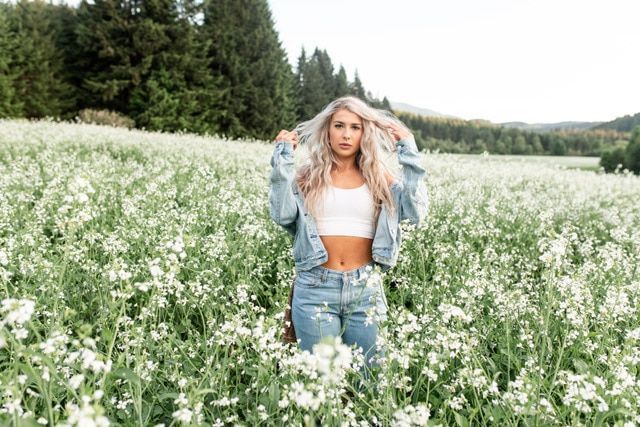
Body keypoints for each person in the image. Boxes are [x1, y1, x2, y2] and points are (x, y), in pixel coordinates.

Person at [269, 96, 428, 384]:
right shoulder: (308, 176)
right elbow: (282, 215)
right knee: (322, 384)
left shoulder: (380, 178)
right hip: (315, 288)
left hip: (364, 288)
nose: (346, 134)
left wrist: (409, 150)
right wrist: (282, 161)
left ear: (364, 133)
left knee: (370, 382)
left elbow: (416, 212)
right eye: (339, 126)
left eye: (355, 127)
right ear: (327, 131)